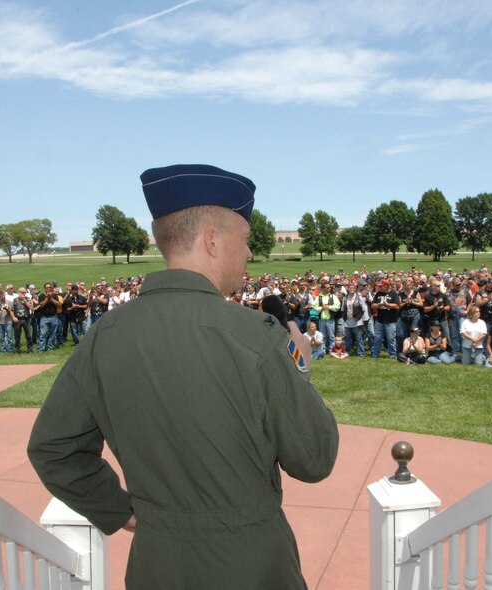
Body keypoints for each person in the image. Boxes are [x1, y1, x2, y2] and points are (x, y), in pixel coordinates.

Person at [28, 164, 338, 590]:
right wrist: (300, 367)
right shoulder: (256, 336)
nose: (249, 254)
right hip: (251, 564)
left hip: (157, 563)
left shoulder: (107, 334)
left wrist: (122, 511)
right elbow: (314, 460)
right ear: (212, 240)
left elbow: (54, 449)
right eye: (245, 241)